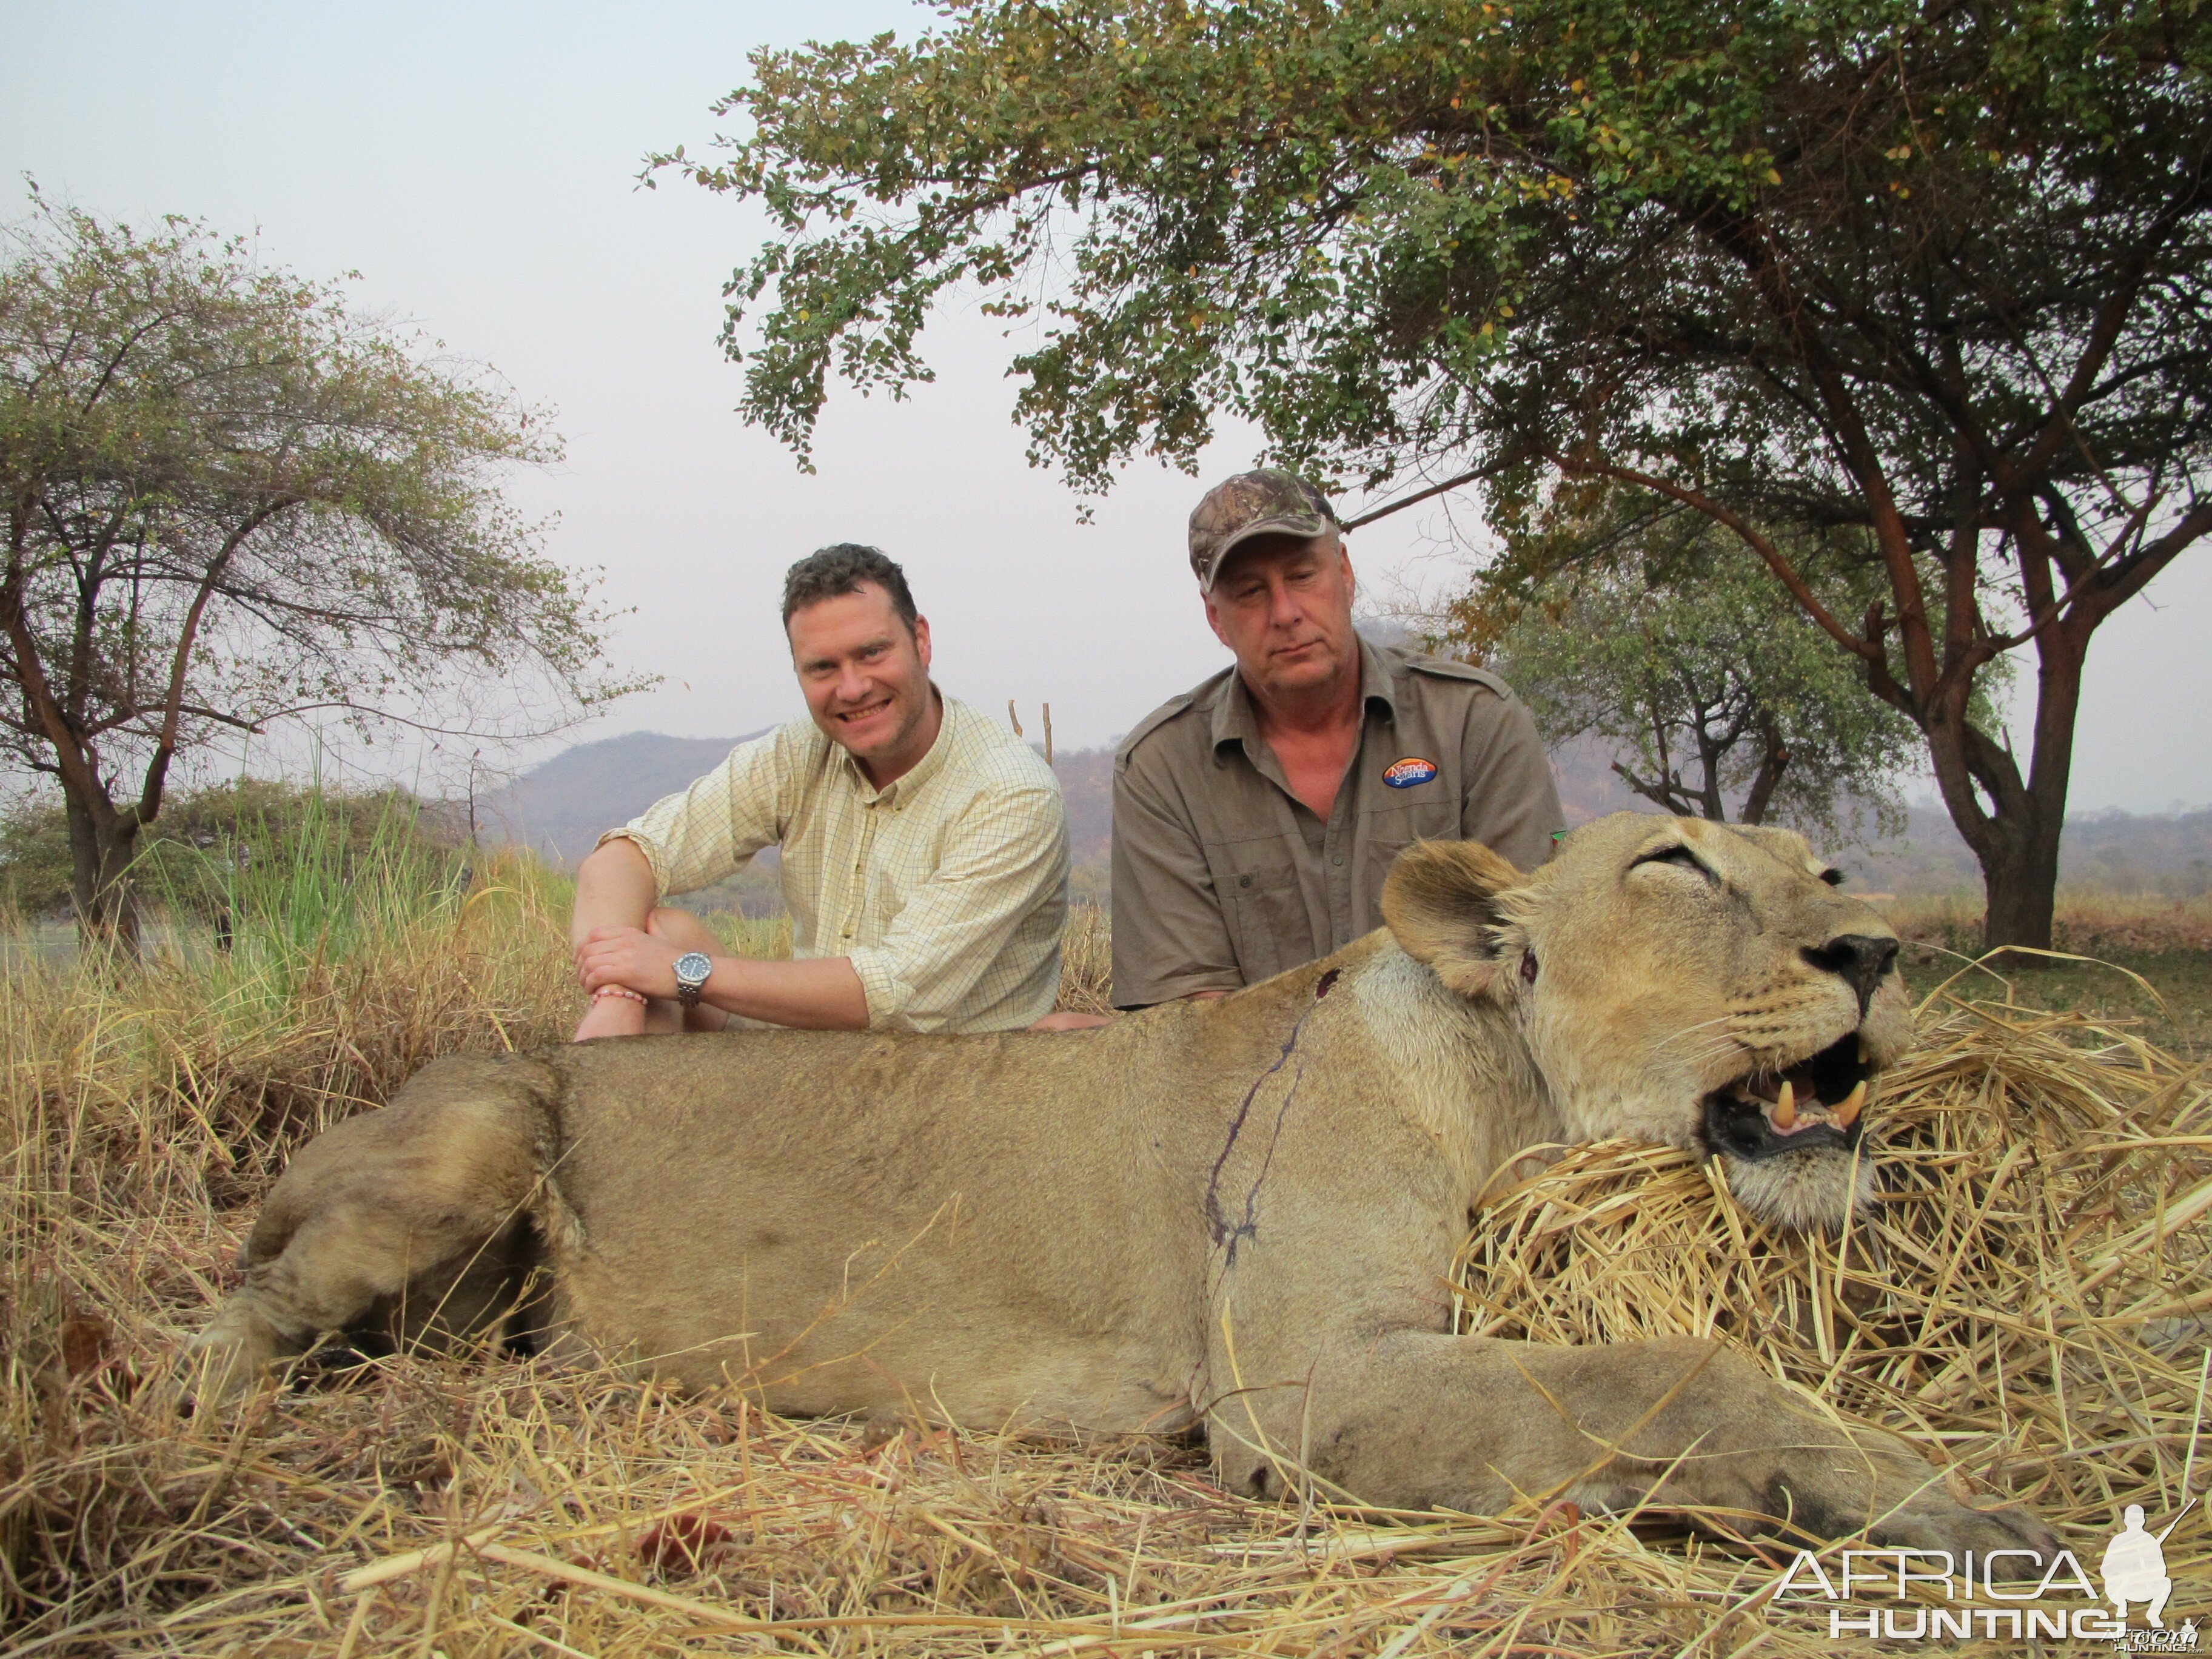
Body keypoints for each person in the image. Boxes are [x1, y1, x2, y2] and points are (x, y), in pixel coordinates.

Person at [569, 544, 1070, 1038]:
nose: (852, 688)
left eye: (872, 653)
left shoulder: (1011, 793)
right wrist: (620, 992)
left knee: (670, 961)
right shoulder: (800, 751)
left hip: (943, 1073)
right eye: (823, 668)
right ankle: (620, 1095)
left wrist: (686, 974)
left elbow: (895, 993)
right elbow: (626, 857)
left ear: (921, 640)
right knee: (660, 931)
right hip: (807, 1051)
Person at [1108, 469, 1563, 1009]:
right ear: (1216, 619)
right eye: (1251, 593)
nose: (1285, 613)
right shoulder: (1160, 771)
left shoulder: (1475, 722)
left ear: (1345, 573)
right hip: (1260, 1092)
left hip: (1467, 1082)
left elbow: (1535, 967)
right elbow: (1189, 1022)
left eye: (1302, 576)